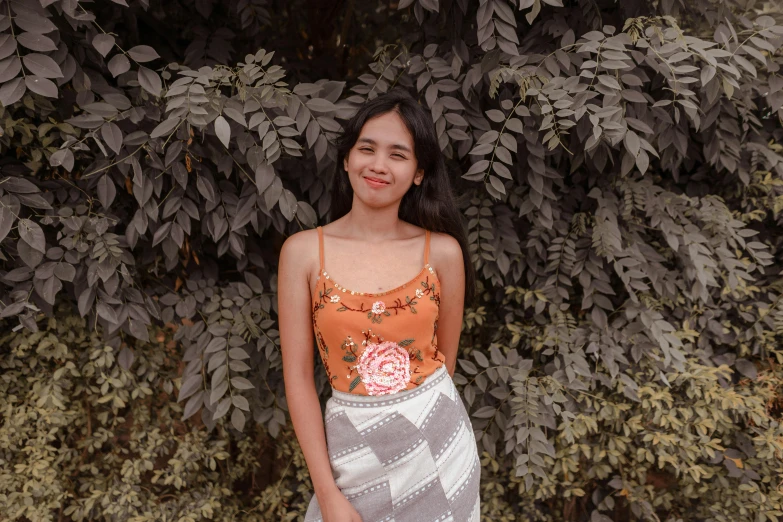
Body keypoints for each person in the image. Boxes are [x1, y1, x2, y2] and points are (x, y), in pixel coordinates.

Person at [278, 89, 480, 522]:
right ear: (347, 158)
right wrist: (327, 493)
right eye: (367, 148)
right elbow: (297, 379)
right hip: (351, 448)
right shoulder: (303, 253)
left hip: (438, 446)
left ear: (419, 172)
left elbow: (445, 361)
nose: (378, 165)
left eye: (398, 154)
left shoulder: (442, 253)